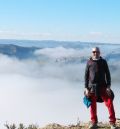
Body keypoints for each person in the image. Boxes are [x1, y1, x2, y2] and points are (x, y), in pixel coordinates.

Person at [84, 47, 117, 129]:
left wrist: (108, 86)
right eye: (94, 52)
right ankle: (94, 122)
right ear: (92, 53)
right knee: (93, 105)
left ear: (99, 52)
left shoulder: (103, 62)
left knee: (109, 103)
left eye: (97, 51)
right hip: (92, 87)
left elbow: (108, 75)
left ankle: (112, 123)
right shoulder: (89, 62)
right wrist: (86, 88)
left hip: (103, 86)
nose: (95, 53)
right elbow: (86, 76)